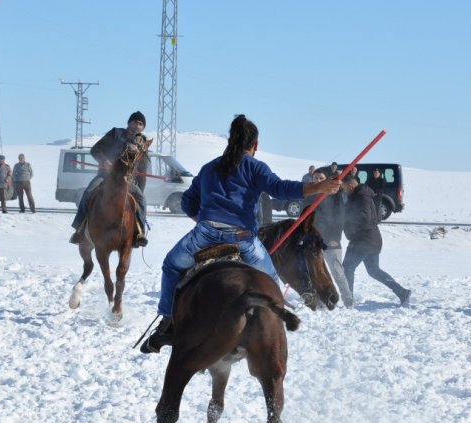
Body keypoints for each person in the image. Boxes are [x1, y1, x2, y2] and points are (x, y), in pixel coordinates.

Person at [141, 114, 341, 353]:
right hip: (243, 240)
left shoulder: (208, 168)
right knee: (271, 279)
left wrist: (204, 221)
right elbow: (281, 189)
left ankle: (166, 321)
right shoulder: (255, 167)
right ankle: (271, 327)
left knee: (171, 266)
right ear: (255, 145)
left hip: (204, 235)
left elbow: (187, 202)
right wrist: (319, 187)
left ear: (230, 140)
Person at [70, 111, 150, 247]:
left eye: (141, 124)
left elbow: (142, 169)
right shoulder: (115, 134)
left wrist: (140, 191)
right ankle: (79, 229)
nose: (137, 125)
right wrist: (105, 161)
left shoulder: (142, 142)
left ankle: (139, 234)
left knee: (142, 200)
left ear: (143, 128)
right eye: (135, 122)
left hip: (126, 180)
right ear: (129, 123)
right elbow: (94, 150)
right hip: (105, 177)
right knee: (89, 192)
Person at [340, 173, 411, 307]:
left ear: (350, 186)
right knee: (373, 270)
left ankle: (348, 301)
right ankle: (402, 292)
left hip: (363, 240)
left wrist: (345, 215)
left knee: (347, 268)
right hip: (372, 239)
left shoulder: (361, 197)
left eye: (344, 188)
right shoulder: (360, 195)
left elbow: (364, 217)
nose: (343, 191)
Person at [309, 169, 354, 307]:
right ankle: (320, 301)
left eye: (321, 178)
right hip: (313, 239)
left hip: (330, 239)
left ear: (326, 179)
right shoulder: (310, 195)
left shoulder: (334, 195)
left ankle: (348, 301)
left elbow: (340, 218)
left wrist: (335, 237)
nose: (318, 181)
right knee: (315, 272)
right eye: (315, 178)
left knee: (337, 271)